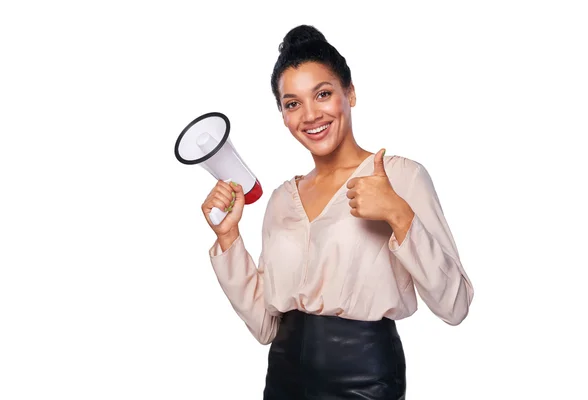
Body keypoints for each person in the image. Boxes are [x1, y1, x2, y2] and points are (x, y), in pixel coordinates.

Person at [201, 25, 474, 400]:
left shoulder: (400, 177)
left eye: (323, 94)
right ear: (283, 115)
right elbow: (265, 326)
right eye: (293, 103)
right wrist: (229, 238)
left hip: (365, 379)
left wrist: (398, 214)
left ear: (350, 93)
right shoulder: (282, 199)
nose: (310, 115)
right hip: (283, 380)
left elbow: (455, 304)